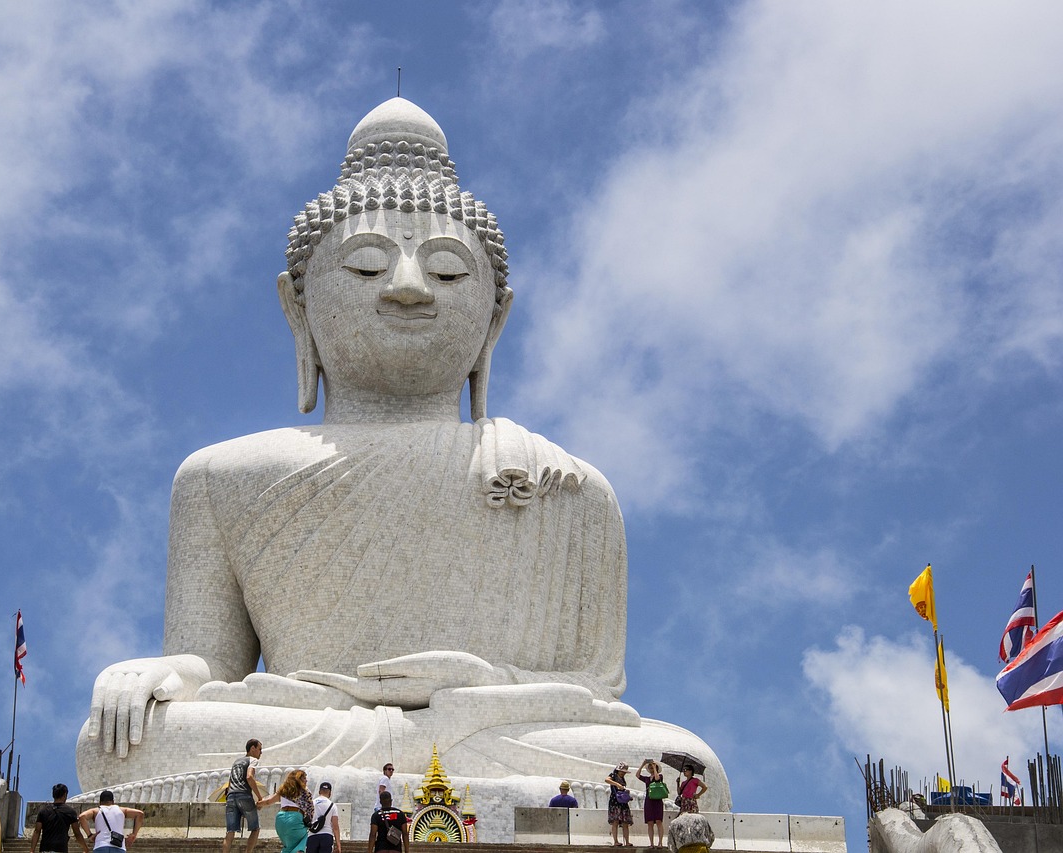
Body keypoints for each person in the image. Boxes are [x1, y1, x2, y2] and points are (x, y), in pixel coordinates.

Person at [77, 96, 728, 812]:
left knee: (686, 763)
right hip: (305, 724)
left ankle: (367, 782)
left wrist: (472, 688)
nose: (410, 288)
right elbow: (211, 664)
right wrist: (162, 674)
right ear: (298, 307)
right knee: (121, 741)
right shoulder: (218, 477)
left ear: (495, 319)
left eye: (448, 273)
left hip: (496, 729)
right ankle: (403, 776)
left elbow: (593, 693)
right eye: (364, 267)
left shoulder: (565, 484)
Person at [223, 739, 266, 853]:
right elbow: (249, 777)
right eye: (259, 749)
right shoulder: (252, 760)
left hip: (231, 796)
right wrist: (260, 797)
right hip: (244, 795)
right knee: (255, 828)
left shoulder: (236, 762)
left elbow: (229, 783)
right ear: (252, 748)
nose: (261, 752)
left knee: (230, 832)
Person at [258, 769, 313, 853]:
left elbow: (268, 801)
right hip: (295, 818)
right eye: (304, 778)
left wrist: (257, 804)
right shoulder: (305, 791)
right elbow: (310, 809)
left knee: (288, 846)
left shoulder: (284, 789)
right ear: (299, 779)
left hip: (280, 819)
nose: (306, 780)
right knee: (307, 836)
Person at [29, 783, 88, 853]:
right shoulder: (70, 812)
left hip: (45, 849)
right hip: (61, 849)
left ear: (53, 795)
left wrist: (32, 850)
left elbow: (37, 831)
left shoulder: (43, 811)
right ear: (65, 795)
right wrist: (85, 849)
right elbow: (77, 833)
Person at [77, 790, 143, 851]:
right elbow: (140, 814)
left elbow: (82, 817)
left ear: (100, 802)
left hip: (101, 845)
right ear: (113, 802)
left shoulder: (96, 811)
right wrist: (134, 834)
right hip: (118, 846)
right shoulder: (122, 810)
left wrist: (90, 835)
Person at [637, 760, 666, 848]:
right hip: (649, 800)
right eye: (649, 767)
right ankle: (651, 843)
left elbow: (657, 779)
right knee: (650, 822)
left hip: (657, 800)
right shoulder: (646, 778)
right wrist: (642, 764)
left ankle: (660, 842)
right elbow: (637, 775)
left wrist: (654, 767)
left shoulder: (660, 776)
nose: (650, 768)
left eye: (652, 767)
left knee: (658, 821)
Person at [307, 781, 341, 853]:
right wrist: (338, 845)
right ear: (330, 793)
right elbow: (335, 827)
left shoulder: (311, 803)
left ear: (319, 791)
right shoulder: (332, 805)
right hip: (327, 836)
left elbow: (306, 820)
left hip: (312, 835)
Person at [606, 763, 633, 847]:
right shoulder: (613, 775)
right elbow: (607, 780)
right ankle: (616, 841)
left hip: (622, 802)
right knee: (615, 821)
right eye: (622, 771)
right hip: (615, 801)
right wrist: (617, 784)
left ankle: (627, 841)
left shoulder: (622, 778)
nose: (623, 773)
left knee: (625, 822)